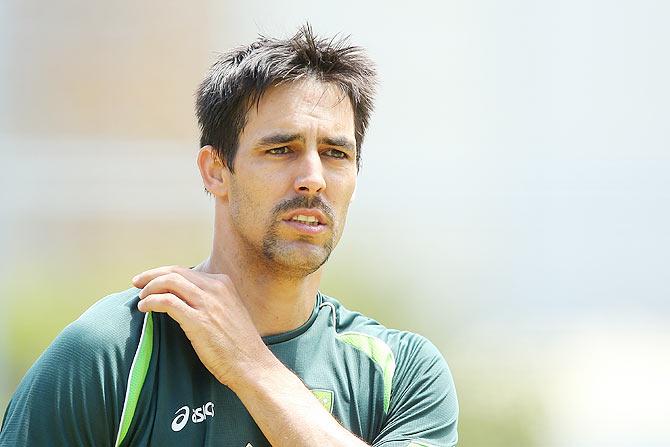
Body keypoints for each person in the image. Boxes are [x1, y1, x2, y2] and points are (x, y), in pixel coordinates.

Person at [0, 24, 458, 447]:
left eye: (336, 153)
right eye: (281, 149)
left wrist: (250, 365)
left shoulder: (401, 373)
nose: (313, 178)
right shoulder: (113, 350)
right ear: (216, 171)